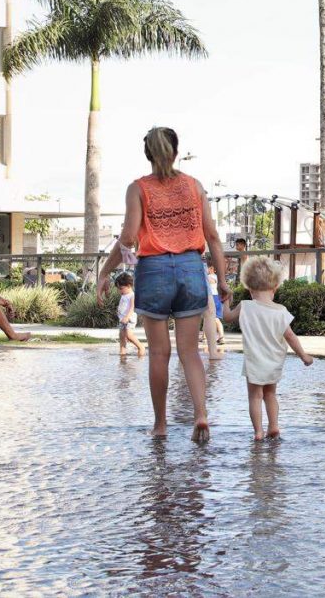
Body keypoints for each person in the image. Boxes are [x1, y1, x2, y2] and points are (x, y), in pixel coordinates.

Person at [97, 126, 230, 443]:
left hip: (154, 270)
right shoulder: (194, 187)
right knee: (190, 352)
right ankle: (200, 414)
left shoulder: (138, 189)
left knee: (159, 353)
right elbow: (212, 236)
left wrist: (105, 271)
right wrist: (223, 278)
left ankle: (160, 425)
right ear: (176, 151)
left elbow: (129, 237)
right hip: (190, 268)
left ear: (148, 154)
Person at [222, 256, 312, 441]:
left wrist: (225, 301)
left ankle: (258, 432)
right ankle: (274, 426)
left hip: (254, 361)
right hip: (273, 362)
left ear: (248, 286)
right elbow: (290, 336)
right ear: (275, 286)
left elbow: (227, 317)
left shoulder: (245, 306)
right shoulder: (280, 311)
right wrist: (303, 356)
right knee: (270, 394)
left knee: (255, 397)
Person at [115, 272, 145, 357]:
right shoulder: (124, 294)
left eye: (121, 288)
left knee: (128, 335)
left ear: (129, 285)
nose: (119, 291)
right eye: (118, 289)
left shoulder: (132, 295)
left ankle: (140, 347)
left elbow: (132, 307)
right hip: (122, 319)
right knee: (121, 335)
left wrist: (127, 317)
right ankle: (122, 351)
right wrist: (119, 310)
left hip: (129, 319)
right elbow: (123, 305)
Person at [201, 262, 225, 360]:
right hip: (211, 297)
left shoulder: (213, 276)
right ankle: (204, 337)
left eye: (209, 268)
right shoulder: (211, 275)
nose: (208, 269)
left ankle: (221, 336)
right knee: (208, 317)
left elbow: (212, 281)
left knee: (215, 318)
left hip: (214, 297)